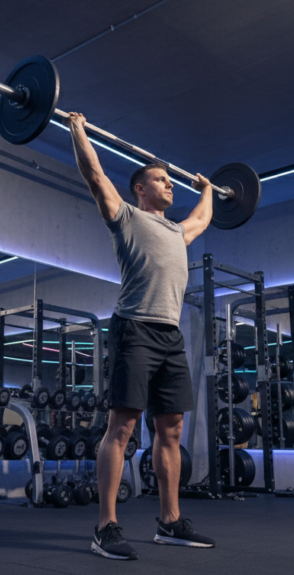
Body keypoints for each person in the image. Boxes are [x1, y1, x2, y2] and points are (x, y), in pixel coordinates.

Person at [67, 112, 216, 561]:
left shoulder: (176, 231)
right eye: (161, 179)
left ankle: (170, 522)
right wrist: (77, 131)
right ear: (140, 188)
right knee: (123, 427)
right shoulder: (126, 217)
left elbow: (203, 220)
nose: (169, 185)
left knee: (171, 430)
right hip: (134, 329)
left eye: (171, 180)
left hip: (171, 335)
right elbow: (95, 175)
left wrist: (209, 189)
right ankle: (105, 526)